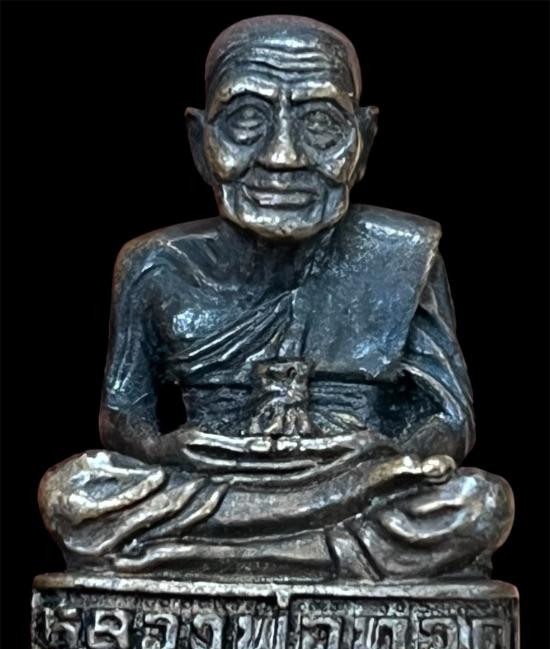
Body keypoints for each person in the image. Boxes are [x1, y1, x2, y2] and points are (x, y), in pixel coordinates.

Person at [39, 15, 513, 581]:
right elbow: (123, 423)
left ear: (363, 139)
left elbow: (449, 419)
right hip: (214, 479)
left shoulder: (403, 253)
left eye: (320, 123)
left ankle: (198, 559)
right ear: (199, 140)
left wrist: (385, 458)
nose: (282, 156)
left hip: (354, 478)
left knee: (480, 503)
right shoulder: (155, 264)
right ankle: (331, 556)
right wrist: (172, 452)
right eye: (246, 120)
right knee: (74, 492)